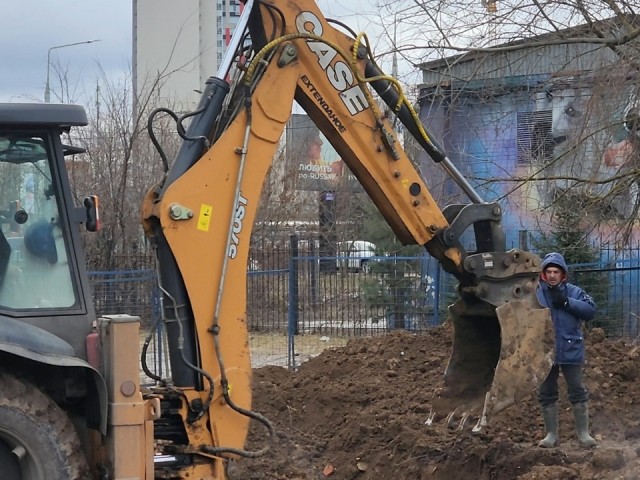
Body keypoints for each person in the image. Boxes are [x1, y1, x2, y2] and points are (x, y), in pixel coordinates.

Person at [536, 252, 597, 448]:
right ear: (544, 274)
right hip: (545, 351)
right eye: (549, 271)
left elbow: (590, 311)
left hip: (570, 348)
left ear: (563, 274)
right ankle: (551, 435)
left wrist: (566, 302)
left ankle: (583, 434)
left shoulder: (574, 292)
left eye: (556, 271)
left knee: (577, 390)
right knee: (547, 393)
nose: (552, 275)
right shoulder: (536, 293)